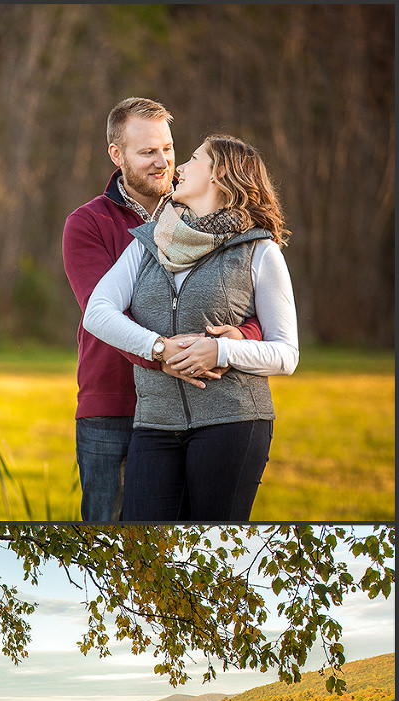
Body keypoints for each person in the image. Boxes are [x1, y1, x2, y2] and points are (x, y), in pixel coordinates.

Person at [62, 98, 262, 522]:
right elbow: (104, 315)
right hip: (113, 406)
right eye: (148, 151)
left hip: (193, 402)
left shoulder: (204, 215)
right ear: (117, 155)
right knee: (112, 536)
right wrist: (163, 355)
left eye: (168, 148)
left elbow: (241, 295)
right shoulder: (88, 223)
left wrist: (242, 337)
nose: (163, 162)